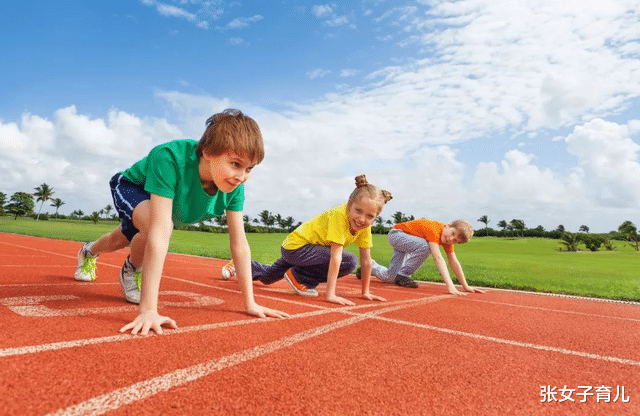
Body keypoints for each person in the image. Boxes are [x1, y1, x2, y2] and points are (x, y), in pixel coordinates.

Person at [74, 109, 289, 335]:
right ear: (207, 152)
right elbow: (159, 231)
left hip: (161, 207)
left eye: (249, 169)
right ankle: (132, 269)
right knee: (156, 228)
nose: (242, 176)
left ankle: (89, 251)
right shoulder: (168, 158)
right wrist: (148, 310)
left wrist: (250, 303)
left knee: (120, 238)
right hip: (133, 187)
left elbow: (239, 244)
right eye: (235, 164)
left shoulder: (234, 187)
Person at [223, 175, 392, 306]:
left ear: (376, 216)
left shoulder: (364, 227)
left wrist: (366, 291)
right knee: (349, 261)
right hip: (297, 248)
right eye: (358, 211)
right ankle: (300, 278)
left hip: (311, 253)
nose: (362, 219)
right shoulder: (339, 216)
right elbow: (336, 257)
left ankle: (239, 265)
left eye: (370, 216)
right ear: (349, 204)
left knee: (268, 278)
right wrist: (330, 294)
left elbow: (367, 261)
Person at [365, 218, 484, 295]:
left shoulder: (446, 240)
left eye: (455, 240)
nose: (450, 239)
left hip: (407, 242)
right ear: (448, 225)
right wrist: (450, 286)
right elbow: (438, 258)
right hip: (397, 235)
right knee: (426, 247)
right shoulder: (434, 229)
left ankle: (369, 265)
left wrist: (465, 286)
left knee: (390, 277)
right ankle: (404, 274)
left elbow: (454, 261)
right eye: (452, 233)